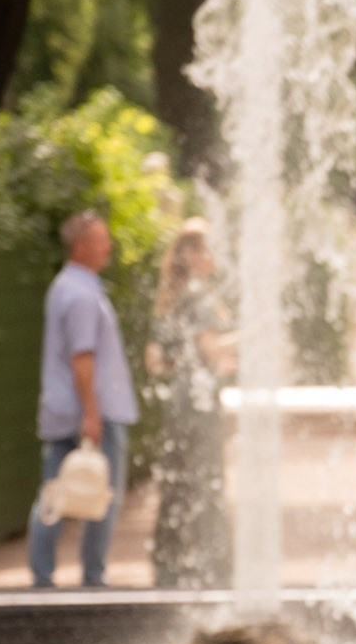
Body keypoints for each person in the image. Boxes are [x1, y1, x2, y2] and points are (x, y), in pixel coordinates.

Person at [28, 211, 139, 589]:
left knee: (54, 492)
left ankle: (42, 576)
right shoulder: (80, 295)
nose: (108, 246)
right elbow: (82, 357)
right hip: (90, 413)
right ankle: (93, 577)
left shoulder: (65, 286)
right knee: (102, 494)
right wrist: (92, 412)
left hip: (63, 409)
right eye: (101, 239)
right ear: (81, 245)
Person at [147, 219, 234, 588]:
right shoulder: (199, 297)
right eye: (209, 248)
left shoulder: (171, 298)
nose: (217, 256)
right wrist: (245, 344)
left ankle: (167, 566)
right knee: (209, 482)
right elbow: (209, 350)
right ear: (192, 255)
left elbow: (155, 360)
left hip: (179, 401)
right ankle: (217, 570)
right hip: (200, 405)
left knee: (177, 484)